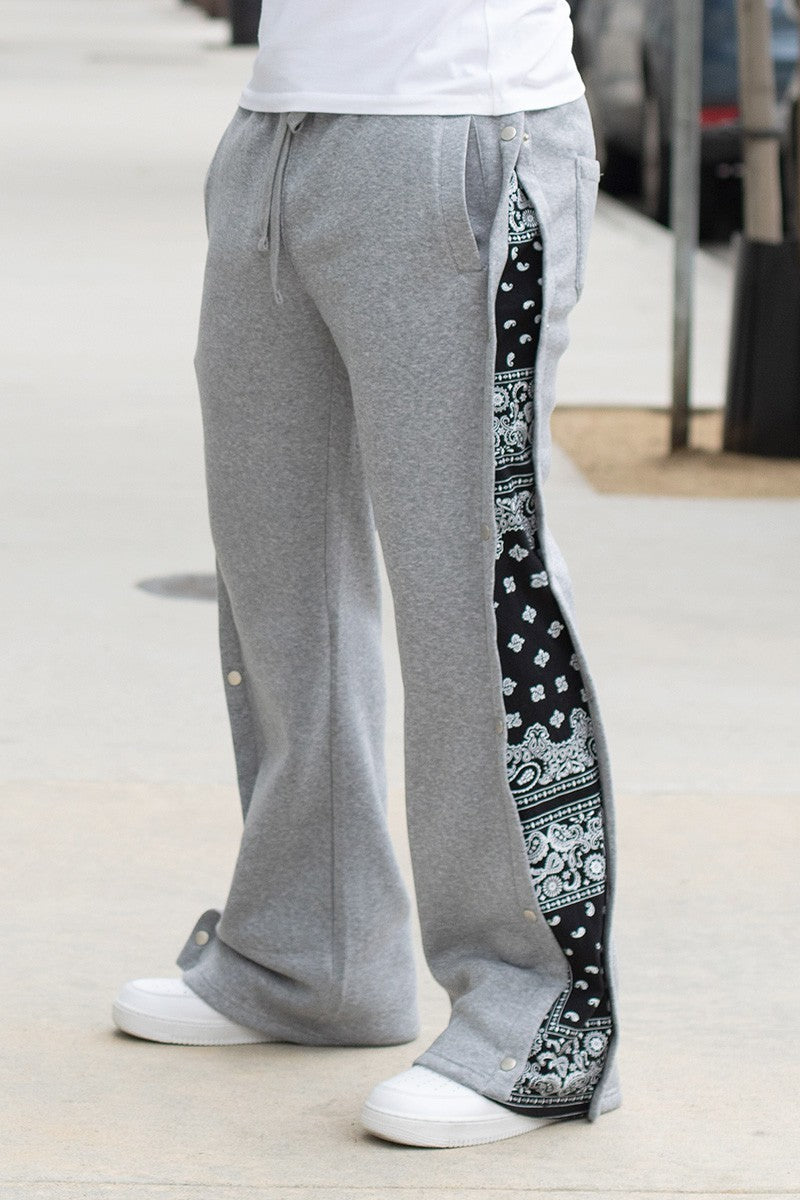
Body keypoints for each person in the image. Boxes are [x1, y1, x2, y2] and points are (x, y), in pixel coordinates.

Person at [112, 0, 621, 1148]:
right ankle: (311, 957)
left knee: (474, 593)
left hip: (464, 128)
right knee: (278, 583)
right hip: (279, 129)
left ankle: (537, 1016)